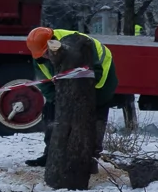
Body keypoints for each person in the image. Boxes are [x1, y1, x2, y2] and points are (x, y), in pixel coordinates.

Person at [24, 27, 117, 179]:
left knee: (94, 115)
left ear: (52, 43)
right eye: (43, 55)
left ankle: (91, 158)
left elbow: (95, 72)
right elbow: (44, 83)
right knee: (51, 111)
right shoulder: (40, 57)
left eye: (47, 53)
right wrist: (58, 99)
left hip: (100, 82)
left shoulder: (79, 45)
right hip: (68, 86)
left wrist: (81, 96)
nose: (46, 57)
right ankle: (50, 153)